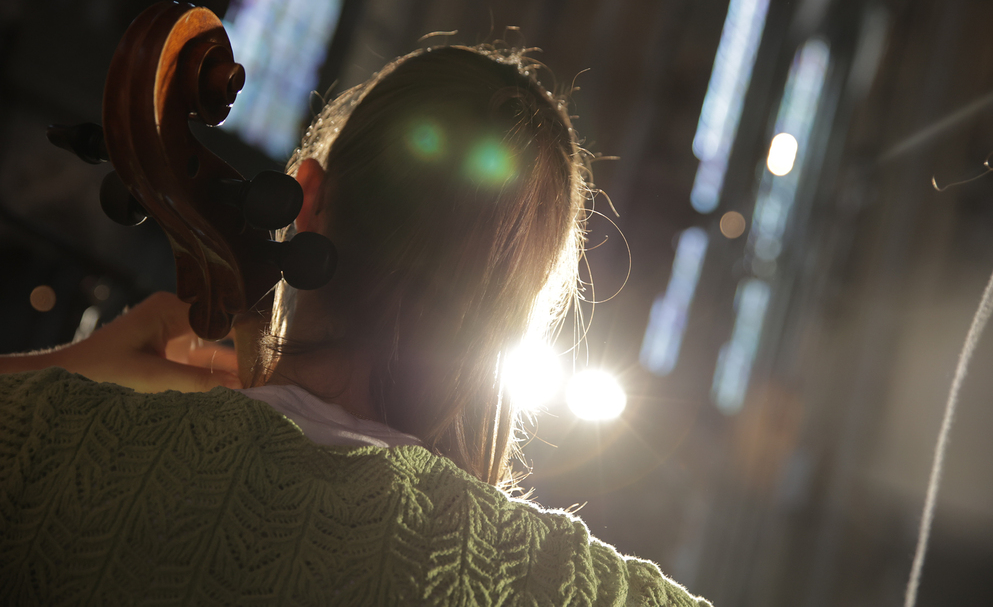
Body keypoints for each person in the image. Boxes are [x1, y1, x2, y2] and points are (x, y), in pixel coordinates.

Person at [0, 45, 711, 605]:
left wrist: (57, 376)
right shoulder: (564, 586)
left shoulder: (47, 444)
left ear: (306, 200)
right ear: (519, 318)